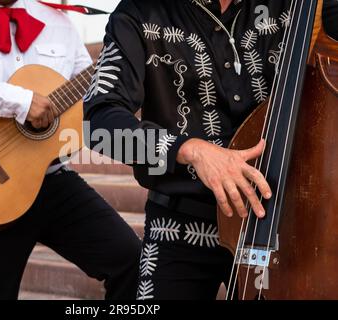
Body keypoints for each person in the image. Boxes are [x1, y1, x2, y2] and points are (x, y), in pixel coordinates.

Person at [84, 0, 337, 300]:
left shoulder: (300, 5)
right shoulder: (138, 13)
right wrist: (189, 149)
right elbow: (100, 127)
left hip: (284, 221)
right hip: (178, 226)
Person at [0, 0, 141, 300]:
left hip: (52, 181)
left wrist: (135, 76)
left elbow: (93, 93)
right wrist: (18, 101)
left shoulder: (58, 22)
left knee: (131, 260)